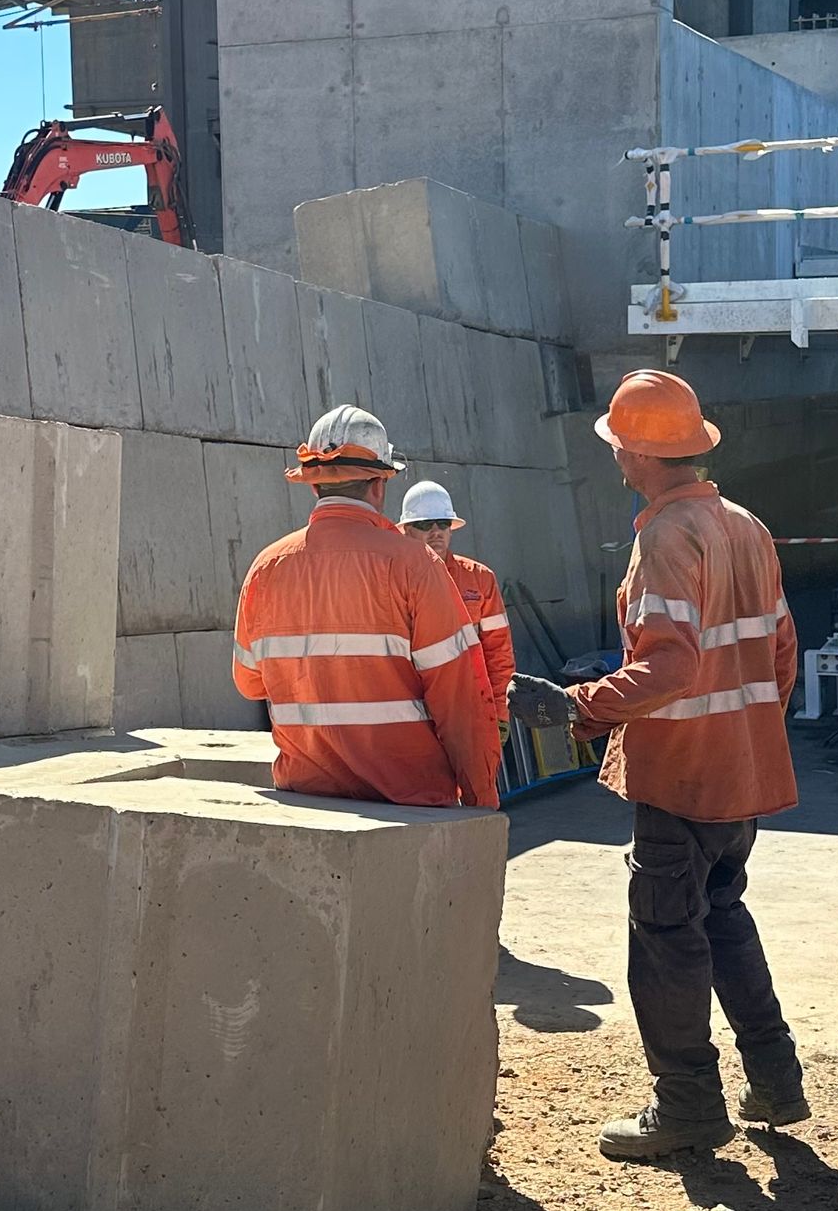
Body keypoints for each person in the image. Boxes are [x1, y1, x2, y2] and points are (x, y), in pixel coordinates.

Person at [512, 369, 803, 1160]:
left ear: (637, 453)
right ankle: (775, 1079)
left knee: (667, 934)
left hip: (682, 776)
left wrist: (580, 707)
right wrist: (748, 733)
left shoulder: (667, 538)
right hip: (738, 774)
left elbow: (671, 666)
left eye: (618, 445)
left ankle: (687, 1107)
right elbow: (781, 649)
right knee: (724, 912)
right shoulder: (745, 525)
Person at [233, 405, 504, 809]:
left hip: (308, 798)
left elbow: (250, 682)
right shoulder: (414, 565)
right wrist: (482, 800)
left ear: (313, 485)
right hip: (409, 802)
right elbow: (459, 697)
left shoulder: (266, 567)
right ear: (379, 485)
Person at [399, 479, 518, 724]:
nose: (436, 532)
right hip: (417, 715)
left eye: (443, 524)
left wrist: (500, 714)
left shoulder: (480, 579)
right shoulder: (392, 581)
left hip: (472, 709)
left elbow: (499, 652)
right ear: (407, 530)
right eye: (424, 524)